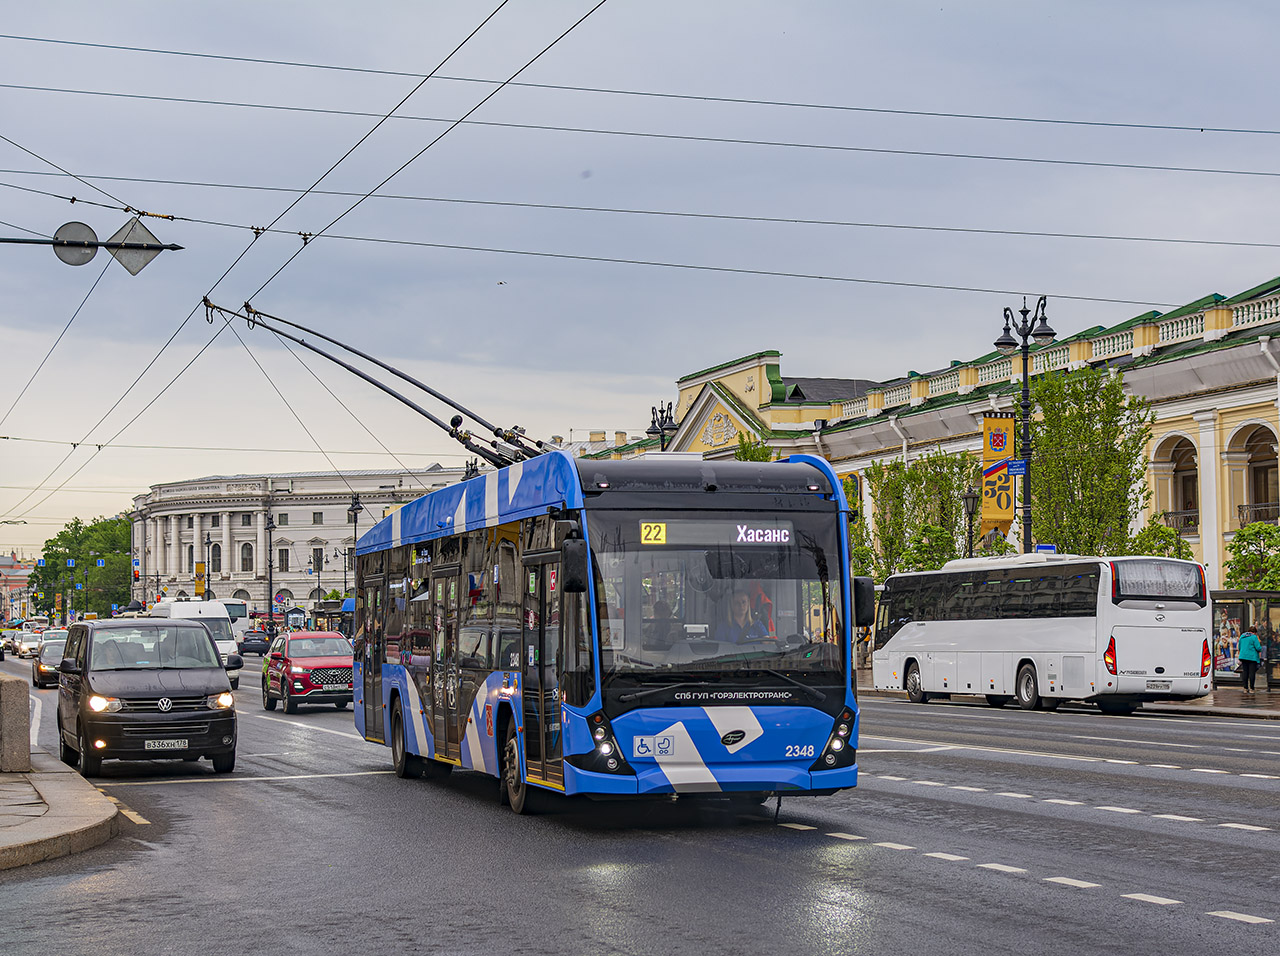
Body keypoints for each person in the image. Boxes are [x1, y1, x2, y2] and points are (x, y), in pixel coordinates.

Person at [1238, 625, 1263, 693]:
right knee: (1252, 673)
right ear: (1254, 632)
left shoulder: (1242, 636)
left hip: (1243, 656)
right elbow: (1258, 648)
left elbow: (1239, 647)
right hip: (1252, 657)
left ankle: (1245, 688)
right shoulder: (1254, 637)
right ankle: (1252, 688)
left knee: (1245, 672)